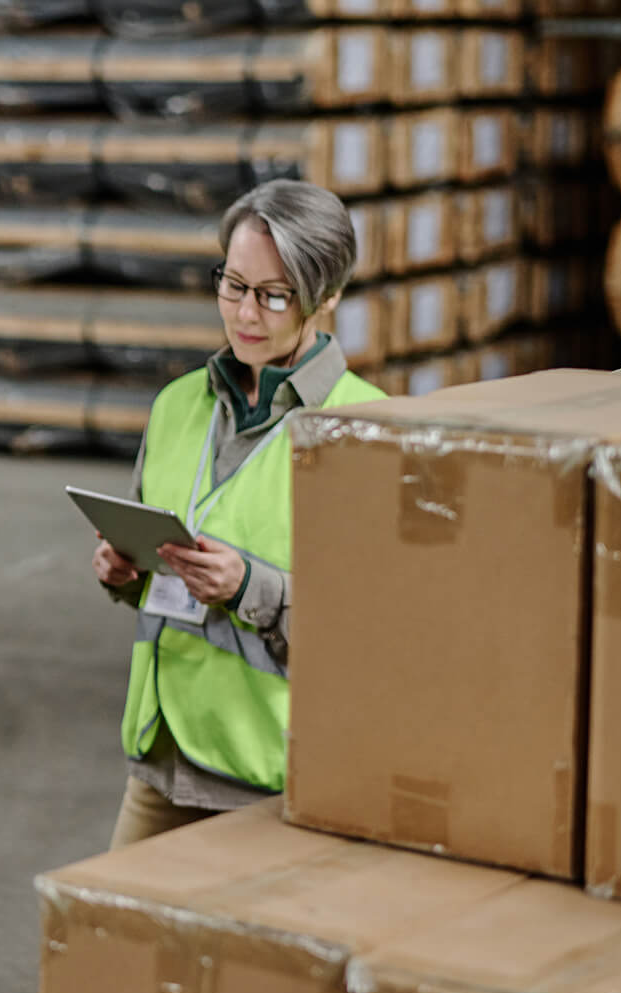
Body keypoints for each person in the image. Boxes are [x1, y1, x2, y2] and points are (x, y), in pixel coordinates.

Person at [91, 180, 386, 850]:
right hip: (161, 758)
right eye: (232, 284)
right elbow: (153, 571)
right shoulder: (176, 405)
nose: (245, 314)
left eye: (274, 294)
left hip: (277, 778)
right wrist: (123, 571)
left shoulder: (364, 429)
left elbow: (379, 632)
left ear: (329, 295)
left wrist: (252, 588)